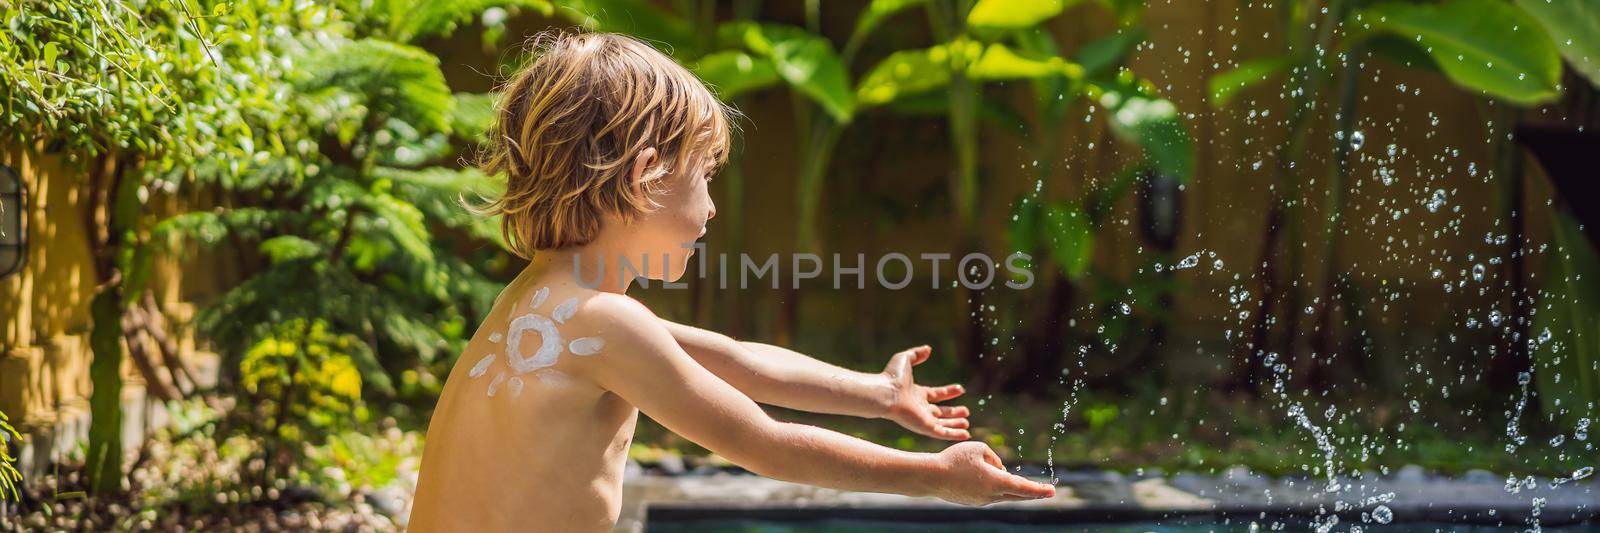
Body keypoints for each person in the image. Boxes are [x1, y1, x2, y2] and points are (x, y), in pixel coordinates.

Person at [408, 31, 1056, 532]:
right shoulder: (606, 324)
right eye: (705, 177)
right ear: (645, 175)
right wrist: (934, 476)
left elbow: (739, 362)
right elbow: (764, 443)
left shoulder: (543, 302)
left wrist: (879, 394)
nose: (713, 208)